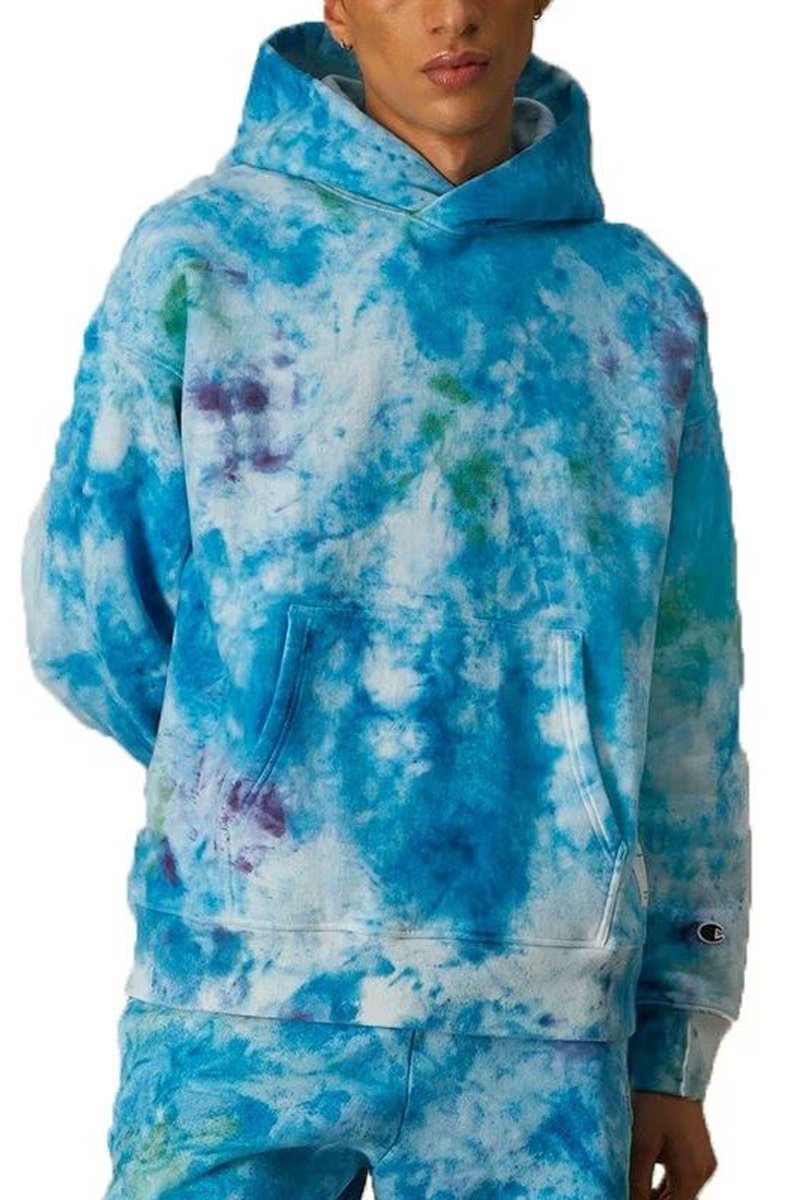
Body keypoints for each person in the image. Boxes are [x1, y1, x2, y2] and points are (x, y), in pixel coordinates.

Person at [20, 4, 751, 1198]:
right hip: (240, 1000)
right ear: (339, 5)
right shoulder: (204, 254)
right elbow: (89, 613)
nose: (448, 13)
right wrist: (258, 771)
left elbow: (687, 696)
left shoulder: (635, 302)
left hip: (543, 1016)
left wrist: (676, 1030)